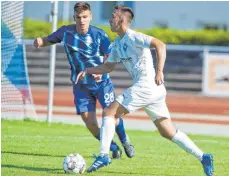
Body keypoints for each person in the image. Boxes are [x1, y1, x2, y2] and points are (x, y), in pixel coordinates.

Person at [76, 5, 214, 176]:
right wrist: (89, 71)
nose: (110, 20)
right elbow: (108, 66)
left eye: (113, 16)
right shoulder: (118, 44)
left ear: (121, 20)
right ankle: (204, 157)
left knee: (109, 113)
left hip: (146, 86)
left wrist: (160, 70)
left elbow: (160, 45)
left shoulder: (134, 36)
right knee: (168, 132)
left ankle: (104, 155)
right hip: (154, 91)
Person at [33, 2, 135, 159]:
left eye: (85, 17)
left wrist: (101, 71)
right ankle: (113, 147)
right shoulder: (65, 32)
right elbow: (50, 39)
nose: (82, 20)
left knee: (112, 117)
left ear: (90, 17)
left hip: (102, 84)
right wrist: (40, 41)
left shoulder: (99, 35)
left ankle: (125, 140)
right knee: (89, 122)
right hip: (80, 85)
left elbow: (110, 57)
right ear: (74, 17)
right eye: (79, 17)